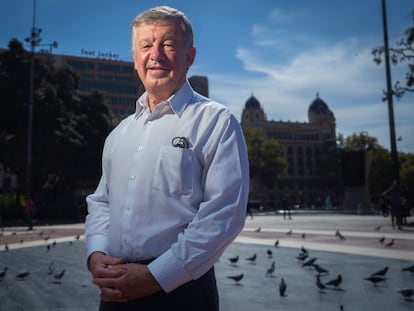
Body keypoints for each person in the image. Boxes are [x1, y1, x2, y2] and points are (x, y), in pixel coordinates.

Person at [85, 6, 249, 311]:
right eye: (146, 45)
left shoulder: (216, 122)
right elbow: (102, 202)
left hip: (183, 292)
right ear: (135, 58)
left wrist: (155, 276)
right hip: (115, 291)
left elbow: (224, 214)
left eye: (169, 44)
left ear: (189, 56)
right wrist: (96, 255)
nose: (155, 54)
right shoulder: (118, 134)